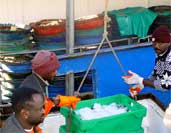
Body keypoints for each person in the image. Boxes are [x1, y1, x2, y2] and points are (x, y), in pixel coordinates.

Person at [122, 25, 171, 95]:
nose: (156, 46)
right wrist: (141, 85)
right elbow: (157, 72)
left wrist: (141, 80)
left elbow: (166, 85)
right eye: (154, 42)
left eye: (160, 43)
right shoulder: (161, 52)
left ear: (168, 42)